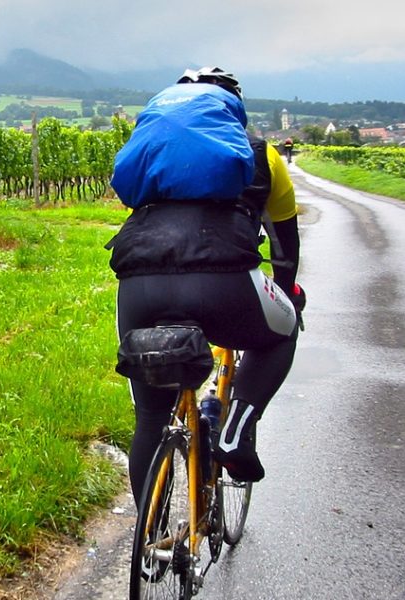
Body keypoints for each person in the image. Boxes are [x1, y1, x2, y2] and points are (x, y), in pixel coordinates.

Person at [107, 67, 306, 504]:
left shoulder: (151, 157)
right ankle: (235, 432)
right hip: (225, 284)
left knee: (151, 417)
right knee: (284, 330)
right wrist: (288, 291)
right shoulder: (261, 155)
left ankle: (151, 544)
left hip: (140, 286)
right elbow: (284, 249)